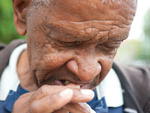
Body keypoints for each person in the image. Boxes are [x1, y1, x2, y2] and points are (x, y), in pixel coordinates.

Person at [0, 0, 149, 113]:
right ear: (21, 11)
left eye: (109, 46)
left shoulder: (144, 93)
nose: (86, 73)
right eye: (68, 42)